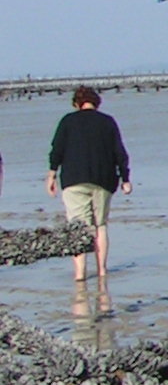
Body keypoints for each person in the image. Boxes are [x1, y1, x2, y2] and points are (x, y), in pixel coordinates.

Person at [46, 86, 131, 281]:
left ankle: (79, 274)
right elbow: (120, 152)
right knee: (100, 225)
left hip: (73, 180)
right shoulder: (108, 122)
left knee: (78, 228)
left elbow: (56, 150)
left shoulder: (68, 121)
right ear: (96, 103)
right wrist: (125, 178)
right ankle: (101, 270)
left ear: (76, 104)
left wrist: (51, 174)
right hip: (103, 179)